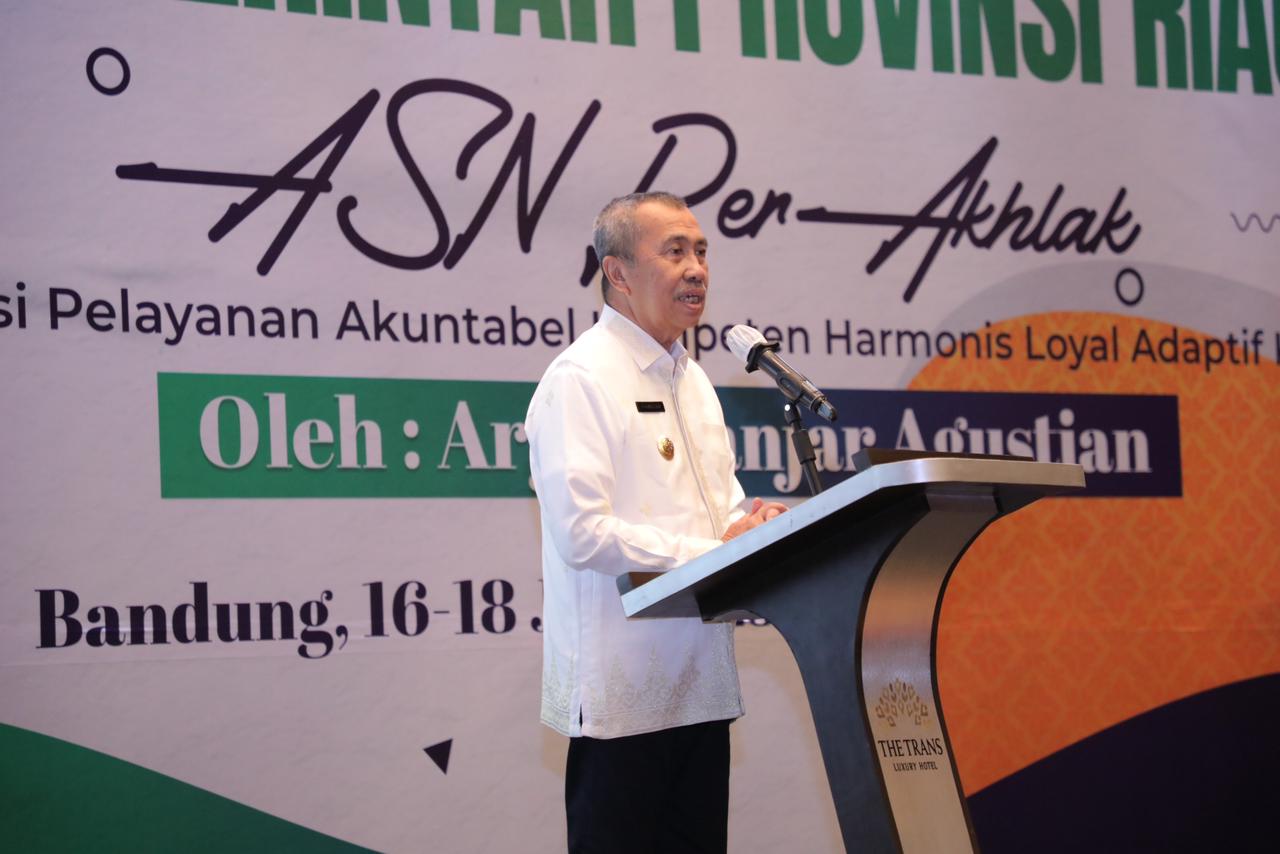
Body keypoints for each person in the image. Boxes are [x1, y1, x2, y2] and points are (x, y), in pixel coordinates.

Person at [525, 192, 787, 853]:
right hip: (620, 699)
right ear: (617, 273)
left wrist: (755, 526)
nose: (696, 268)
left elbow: (720, 511)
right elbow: (582, 531)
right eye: (674, 252)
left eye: (701, 251)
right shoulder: (580, 378)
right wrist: (711, 550)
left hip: (701, 687)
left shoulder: (693, 381)